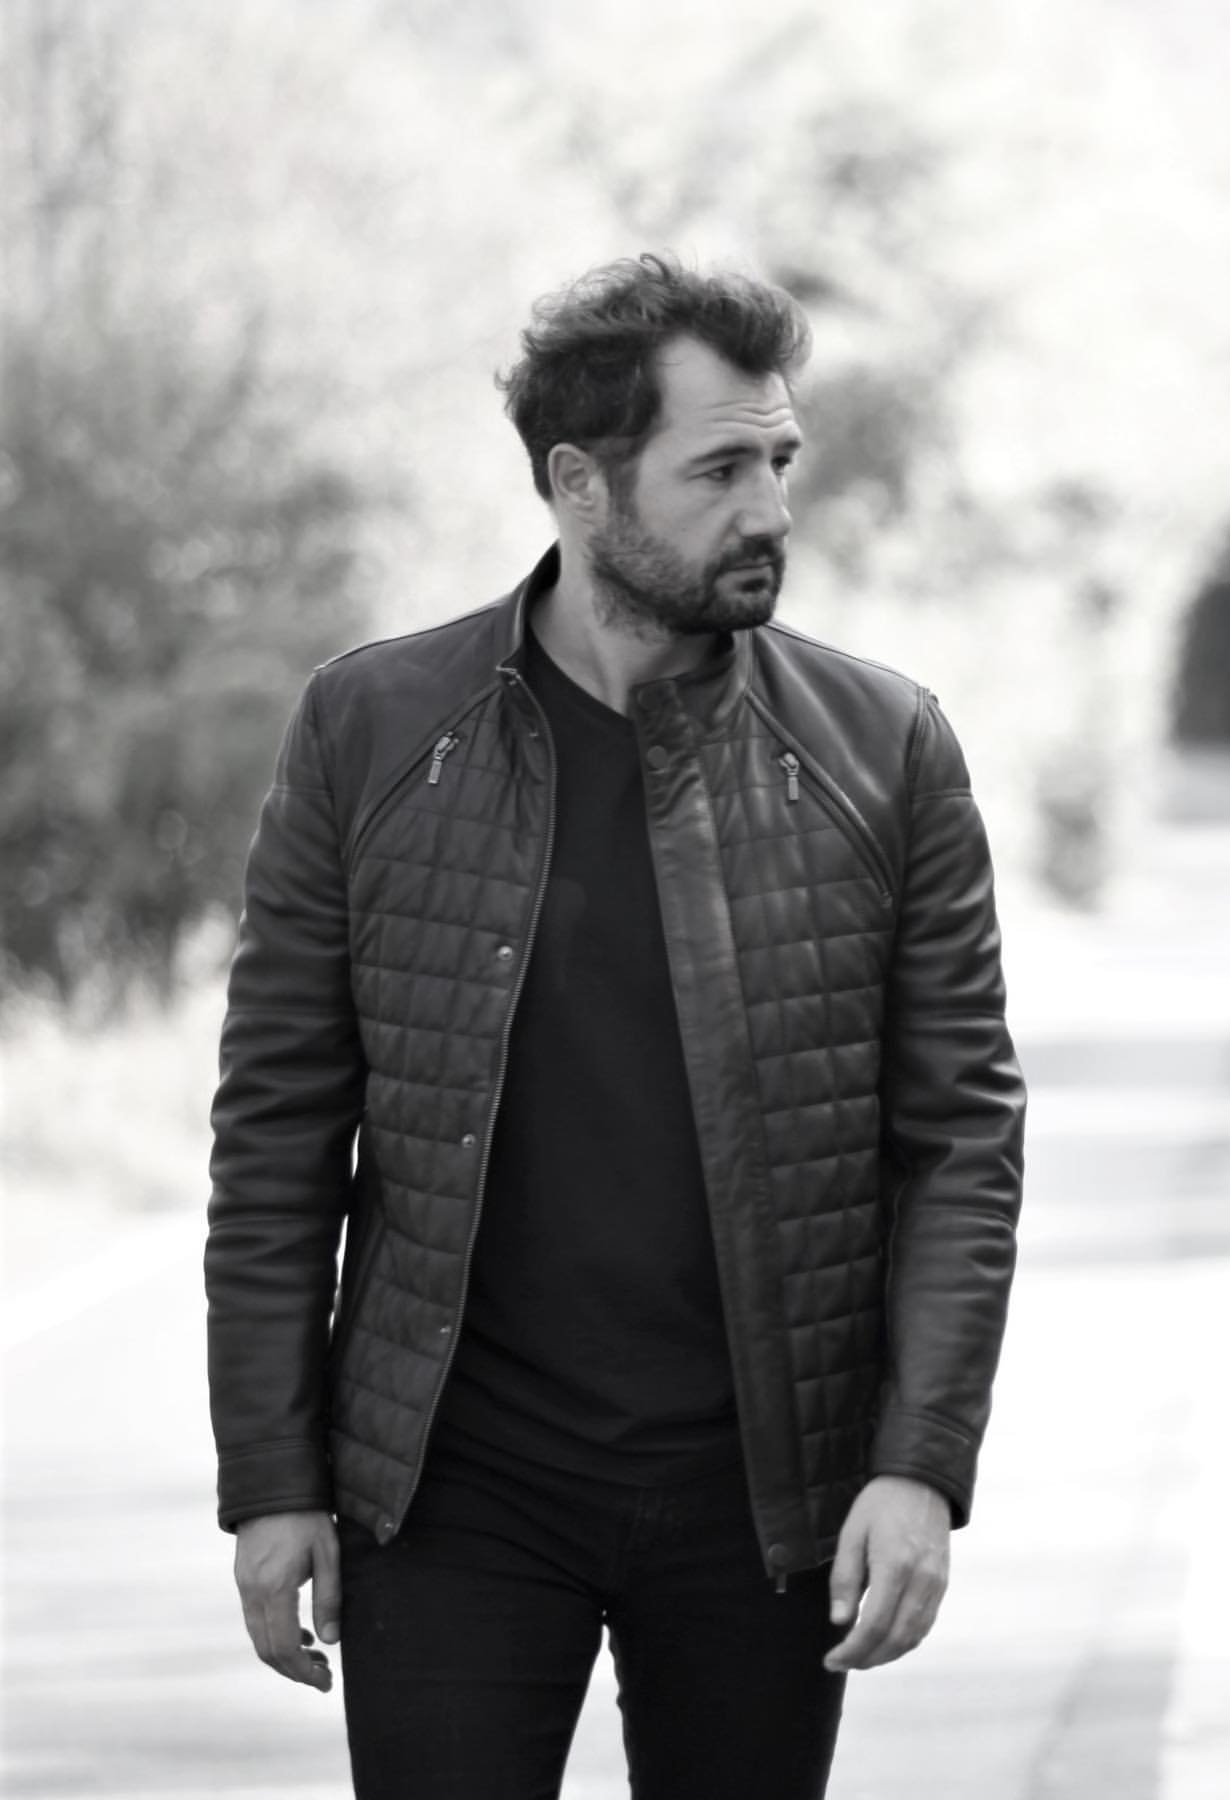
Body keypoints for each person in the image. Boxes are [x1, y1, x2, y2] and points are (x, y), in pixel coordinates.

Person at [205, 251, 1027, 1800]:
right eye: (720, 470)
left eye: (780, 461)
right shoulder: (373, 728)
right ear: (581, 484)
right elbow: (279, 1136)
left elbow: (960, 1143)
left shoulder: (886, 749)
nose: (771, 509)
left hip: (763, 1496)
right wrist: (270, 1474)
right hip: (451, 1487)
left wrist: (919, 1464)